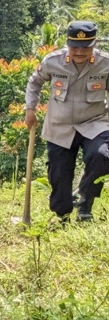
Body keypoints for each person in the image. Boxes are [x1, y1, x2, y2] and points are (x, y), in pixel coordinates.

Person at [25, 20, 109, 222]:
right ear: (67, 43)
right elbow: (34, 82)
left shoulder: (105, 63)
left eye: (85, 47)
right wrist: (30, 109)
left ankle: (85, 199)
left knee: (103, 156)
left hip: (95, 122)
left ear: (94, 44)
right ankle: (63, 213)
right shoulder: (52, 61)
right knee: (59, 173)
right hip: (60, 124)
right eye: (75, 46)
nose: (80, 52)